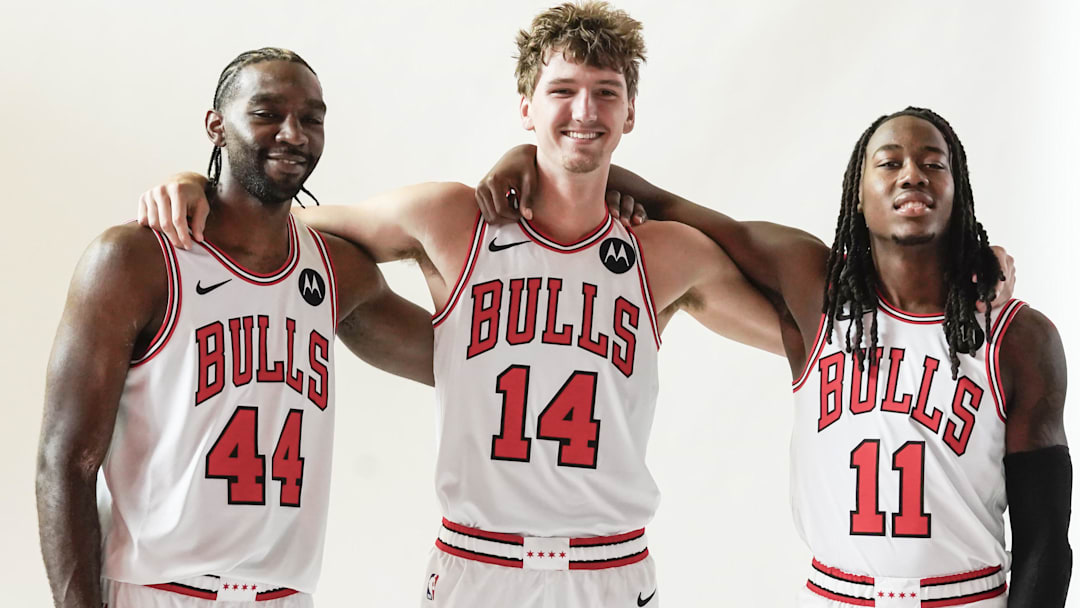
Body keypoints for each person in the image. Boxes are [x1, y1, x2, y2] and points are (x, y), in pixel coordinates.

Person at [136, 3, 789, 606]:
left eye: (606, 93)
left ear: (631, 112)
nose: (584, 110)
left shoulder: (667, 254)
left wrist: (649, 194)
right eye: (562, 91)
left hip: (610, 566)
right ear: (526, 107)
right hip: (479, 562)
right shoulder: (451, 219)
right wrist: (194, 176)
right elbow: (279, 224)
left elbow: (812, 341)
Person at [484, 108, 1069, 607]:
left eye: (933, 163)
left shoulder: (1019, 338)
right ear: (858, 196)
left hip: (964, 595)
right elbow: (662, 203)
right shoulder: (813, 289)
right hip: (836, 592)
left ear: (957, 190)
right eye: (888, 162)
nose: (911, 174)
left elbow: (1045, 538)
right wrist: (525, 156)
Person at [36, 48, 435, 608]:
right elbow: (65, 460)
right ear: (216, 126)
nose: (293, 134)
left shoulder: (335, 269)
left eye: (312, 118)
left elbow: (461, 362)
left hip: (284, 595)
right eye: (268, 113)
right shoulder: (135, 259)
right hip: (158, 590)